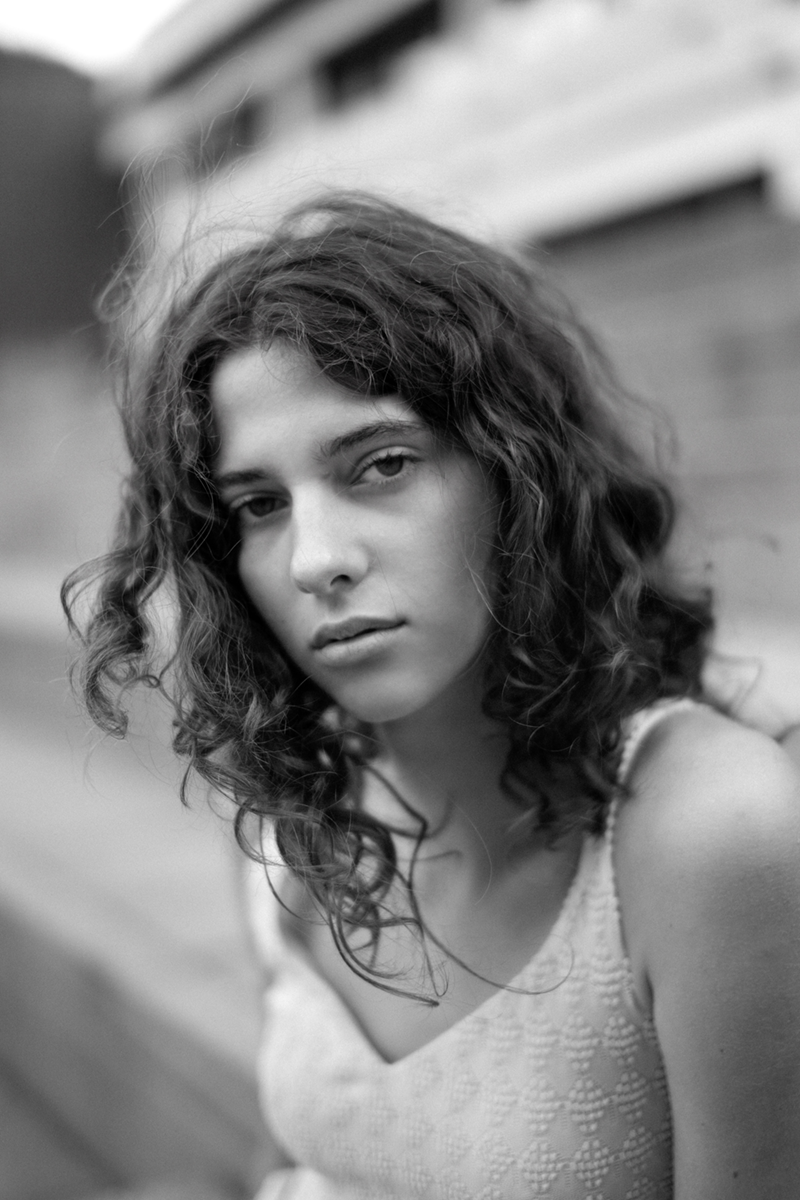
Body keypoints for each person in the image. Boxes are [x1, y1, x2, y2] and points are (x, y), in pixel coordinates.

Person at [64, 193, 800, 1199]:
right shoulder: (293, 817)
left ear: (516, 474)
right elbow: (303, 1163)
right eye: (258, 506)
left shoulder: (712, 831)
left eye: (381, 465)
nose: (317, 559)